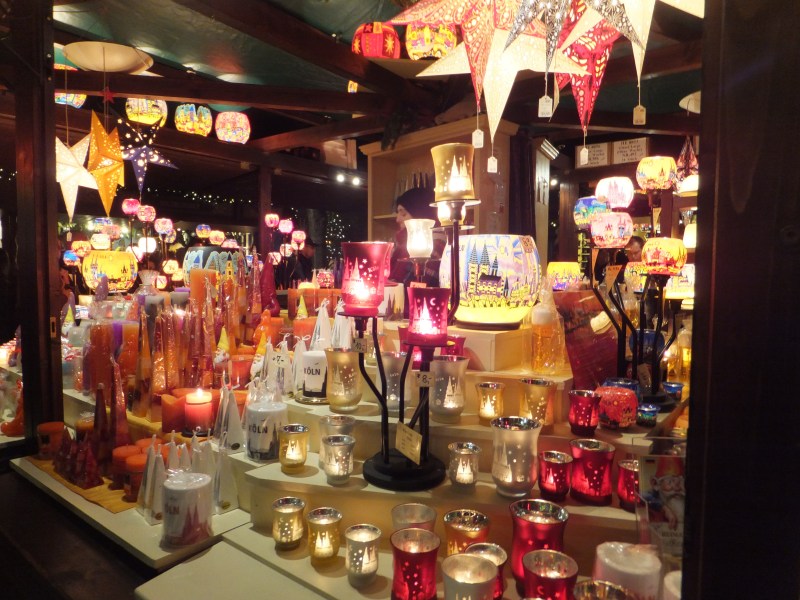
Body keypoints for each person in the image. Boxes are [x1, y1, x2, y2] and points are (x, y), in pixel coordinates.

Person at [388, 187, 445, 286]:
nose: (397, 219)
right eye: (398, 213)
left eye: (403, 214)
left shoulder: (434, 247)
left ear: (420, 214)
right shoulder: (402, 247)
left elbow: (414, 288)